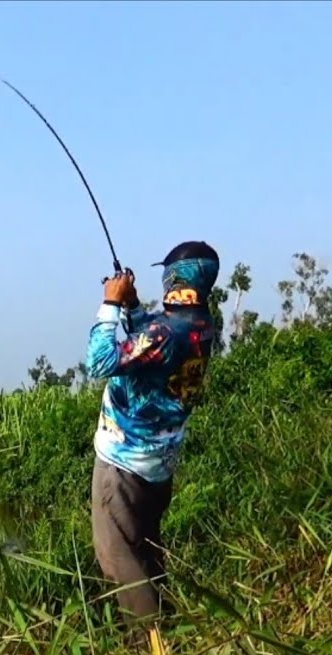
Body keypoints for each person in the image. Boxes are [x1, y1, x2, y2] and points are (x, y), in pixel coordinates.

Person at [83, 240, 220, 625]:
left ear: (175, 278)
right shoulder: (201, 326)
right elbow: (153, 344)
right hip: (158, 463)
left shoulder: (165, 332)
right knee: (143, 548)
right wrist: (134, 307)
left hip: (124, 465)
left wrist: (110, 303)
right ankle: (169, 627)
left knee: (119, 560)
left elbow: (100, 362)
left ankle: (152, 644)